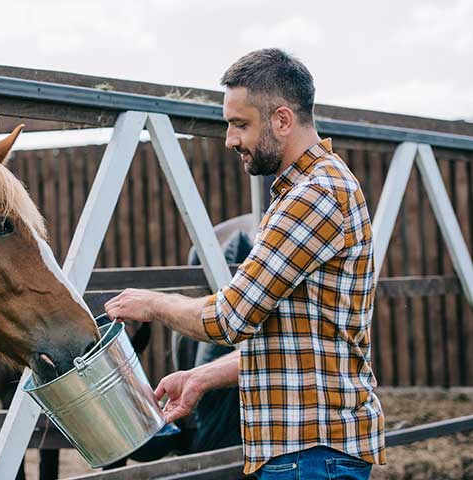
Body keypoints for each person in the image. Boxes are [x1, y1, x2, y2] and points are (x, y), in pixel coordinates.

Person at [104, 48, 385, 479]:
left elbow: (230, 318)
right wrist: (203, 376)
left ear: (282, 120)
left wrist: (153, 303)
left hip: (309, 457)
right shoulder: (308, 191)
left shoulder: (314, 196)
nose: (230, 139)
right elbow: (296, 343)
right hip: (308, 453)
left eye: (240, 124)